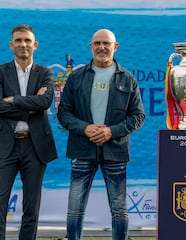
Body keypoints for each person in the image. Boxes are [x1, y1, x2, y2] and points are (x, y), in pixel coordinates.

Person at [57, 29, 145, 240]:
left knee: (119, 210)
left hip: (115, 151)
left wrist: (110, 131)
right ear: (90, 47)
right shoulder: (76, 77)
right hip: (82, 148)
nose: (101, 47)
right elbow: (63, 113)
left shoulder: (128, 79)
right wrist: (85, 128)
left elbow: (138, 116)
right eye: (97, 43)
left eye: (106, 43)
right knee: (75, 209)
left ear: (115, 47)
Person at [0, 24, 57, 240]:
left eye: (27, 40)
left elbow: (44, 102)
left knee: (31, 208)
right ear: (11, 45)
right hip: (5, 145)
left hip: (35, 148)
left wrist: (13, 101)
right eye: (18, 40)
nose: (23, 44)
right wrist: (30, 106)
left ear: (35, 45)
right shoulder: (0, 72)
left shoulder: (45, 72)